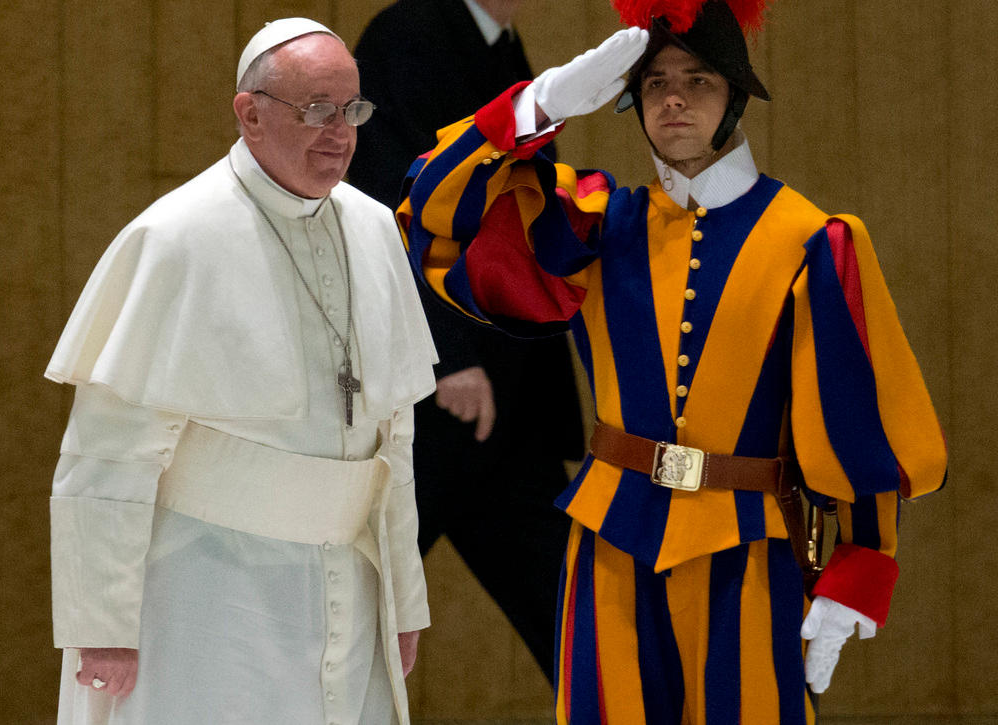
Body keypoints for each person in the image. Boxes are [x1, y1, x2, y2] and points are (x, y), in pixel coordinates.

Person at [398, 0, 948, 721]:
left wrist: (857, 571)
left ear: (735, 96)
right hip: (610, 539)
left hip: (752, 547)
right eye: (655, 83)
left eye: (698, 78)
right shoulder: (595, 222)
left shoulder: (812, 240)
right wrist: (539, 104)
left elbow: (857, 423)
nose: (675, 97)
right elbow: (431, 212)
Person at [45, 18, 437, 725]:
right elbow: (107, 452)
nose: (340, 131)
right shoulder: (175, 237)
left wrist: (404, 599)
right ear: (250, 114)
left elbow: (395, 439)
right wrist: (101, 626)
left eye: (352, 110)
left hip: (349, 583)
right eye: (316, 109)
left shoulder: (376, 227)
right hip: (206, 590)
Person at [349, 0, 582, 680]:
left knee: (576, 616)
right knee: (350, 610)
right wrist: (446, 355)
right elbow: (386, 202)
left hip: (504, 407)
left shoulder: (498, 43)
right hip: (438, 397)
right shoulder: (413, 35)